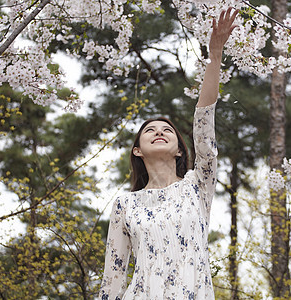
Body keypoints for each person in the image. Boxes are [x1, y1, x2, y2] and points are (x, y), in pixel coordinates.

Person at [100, 7, 238, 300]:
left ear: (179, 150)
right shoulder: (125, 204)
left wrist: (215, 58)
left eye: (167, 130)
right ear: (137, 150)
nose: (159, 132)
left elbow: (203, 124)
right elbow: (113, 275)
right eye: (150, 131)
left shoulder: (197, 186)